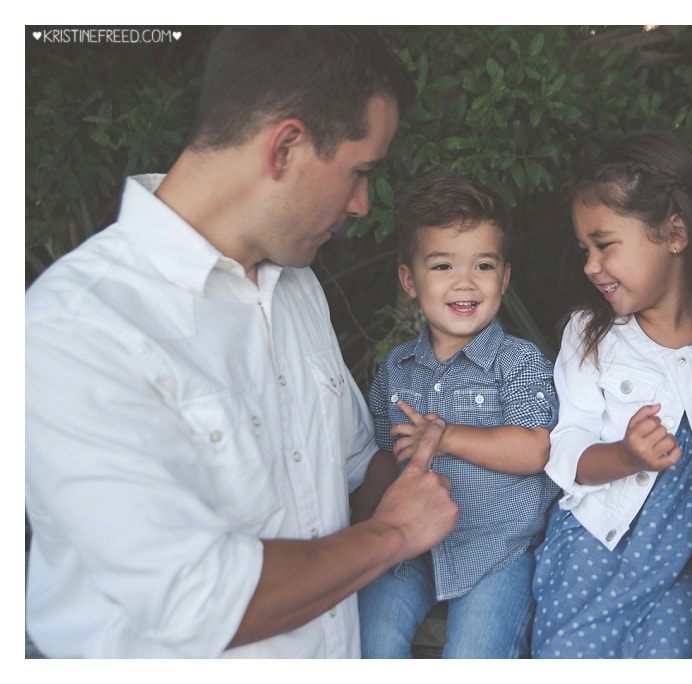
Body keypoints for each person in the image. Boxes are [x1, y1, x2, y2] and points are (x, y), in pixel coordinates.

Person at [24, 27, 459, 658]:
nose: (364, 203)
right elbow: (201, 602)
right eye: (359, 172)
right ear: (285, 147)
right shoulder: (74, 330)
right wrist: (396, 533)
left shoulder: (296, 287)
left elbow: (349, 475)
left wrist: (433, 455)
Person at [531, 131, 692, 659]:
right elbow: (566, 447)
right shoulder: (592, 335)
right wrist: (624, 456)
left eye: (604, 245)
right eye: (584, 249)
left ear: (675, 233)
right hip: (600, 550)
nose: (589, 265)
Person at [357, 175, 560, 659]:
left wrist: (446, 438)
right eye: (443, 265)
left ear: (504, 278)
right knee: (369, 641)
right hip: (410, 549)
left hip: (499, 553)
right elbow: (384, 459)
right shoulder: (397, 367)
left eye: (483, 265)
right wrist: (360, 535)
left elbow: (535, 448)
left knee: (475, 655)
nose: (464, 282)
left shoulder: (520, 361)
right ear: (410, 281)